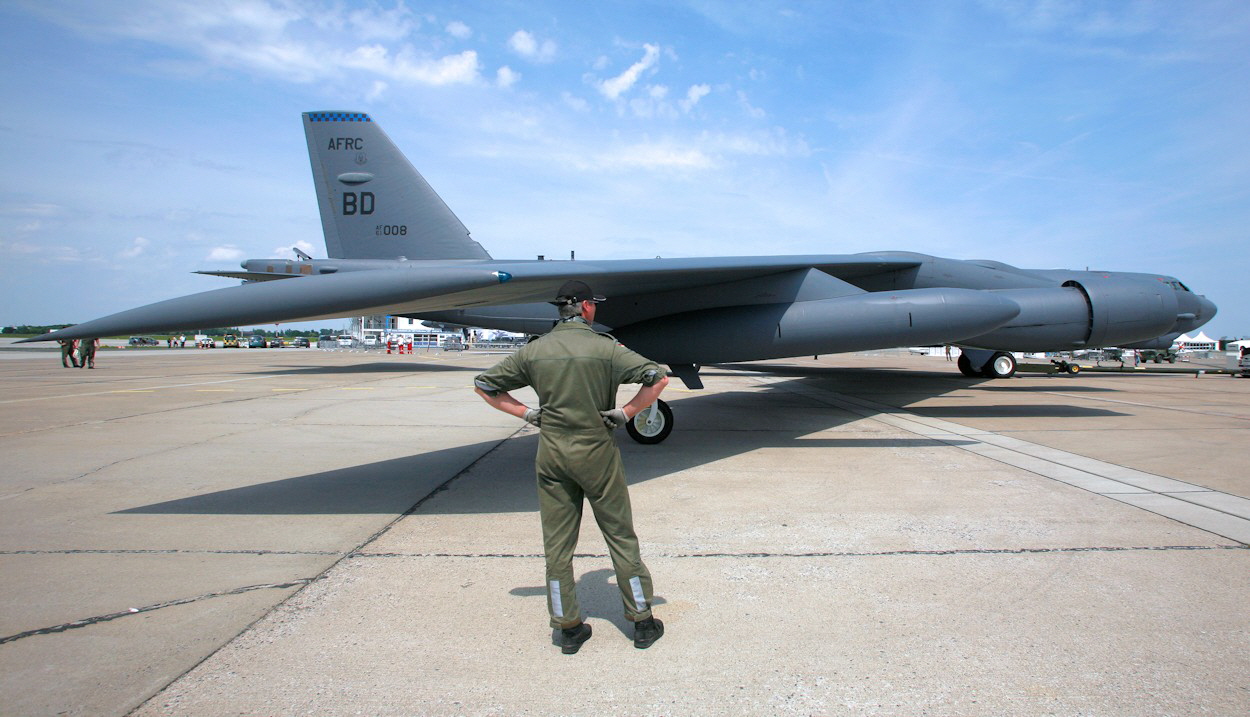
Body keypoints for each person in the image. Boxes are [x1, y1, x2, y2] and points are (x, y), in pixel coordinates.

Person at [474, 280, 669, 655]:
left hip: (552, 455)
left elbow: (485, 385)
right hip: (597, 454)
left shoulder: (536, 351)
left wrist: (528, 413)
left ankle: (567, 627)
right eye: (594, 303)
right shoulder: (605, 348)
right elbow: (657, 377)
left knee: (558, 547)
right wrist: (626, 413)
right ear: (585, 307)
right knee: (620, 536)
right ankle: (642, 622)